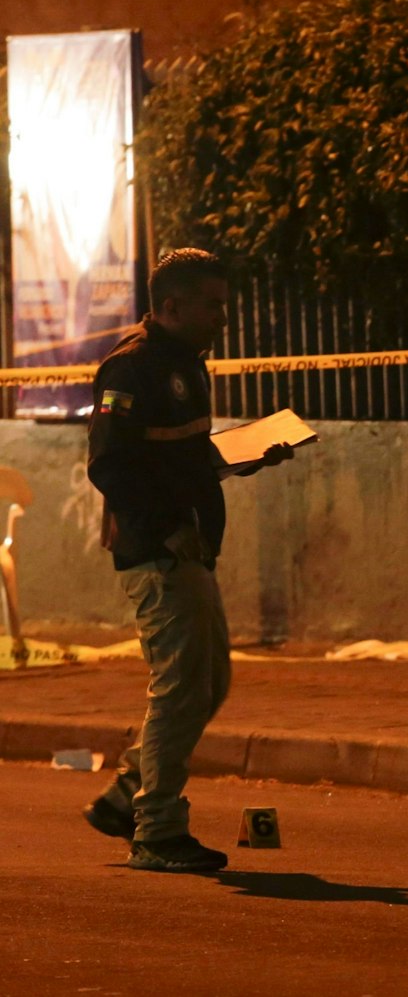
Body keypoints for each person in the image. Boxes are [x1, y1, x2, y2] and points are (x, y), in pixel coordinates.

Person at [81, 249, 294, 873]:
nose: (222, 318)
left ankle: (129, 797)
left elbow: (183, 457)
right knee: (179, 689)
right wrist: (166, 530)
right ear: (172, 306)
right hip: (161, 552)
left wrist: (245, 455)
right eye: (212, 305)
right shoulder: (133, 368)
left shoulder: (185, 364)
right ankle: (157, 830)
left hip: (192, 544)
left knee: (209, 684)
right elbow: (111, 465)